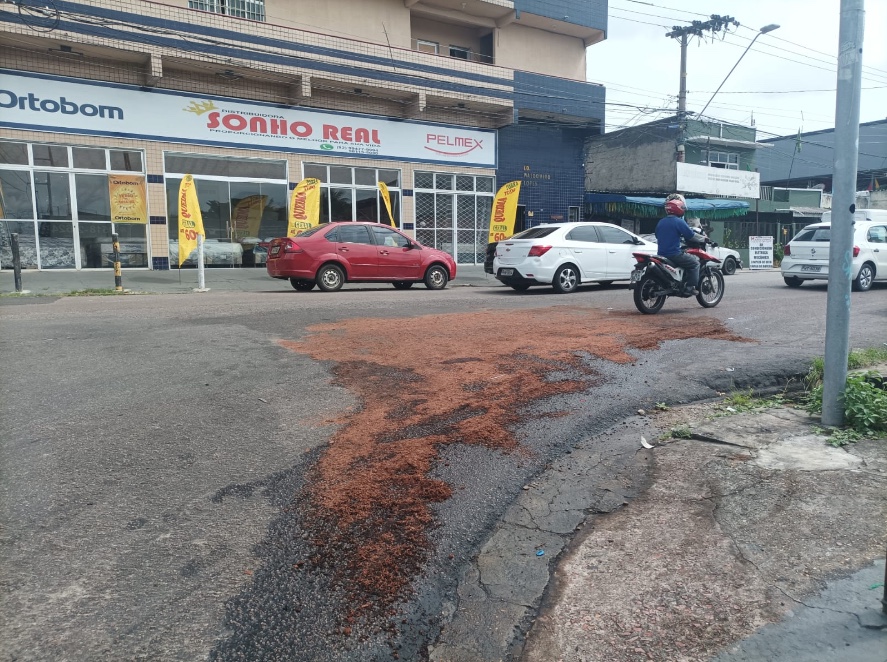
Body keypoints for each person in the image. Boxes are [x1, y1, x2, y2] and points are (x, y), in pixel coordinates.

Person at [655, 193, 699, 295]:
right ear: (678, 209)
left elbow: (657, 235)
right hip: (674, 254)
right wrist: (704, 239)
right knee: (695, 264)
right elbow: (691, 236)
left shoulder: (661, 222)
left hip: (660, 254)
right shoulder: (679, 222)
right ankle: (689, 287)